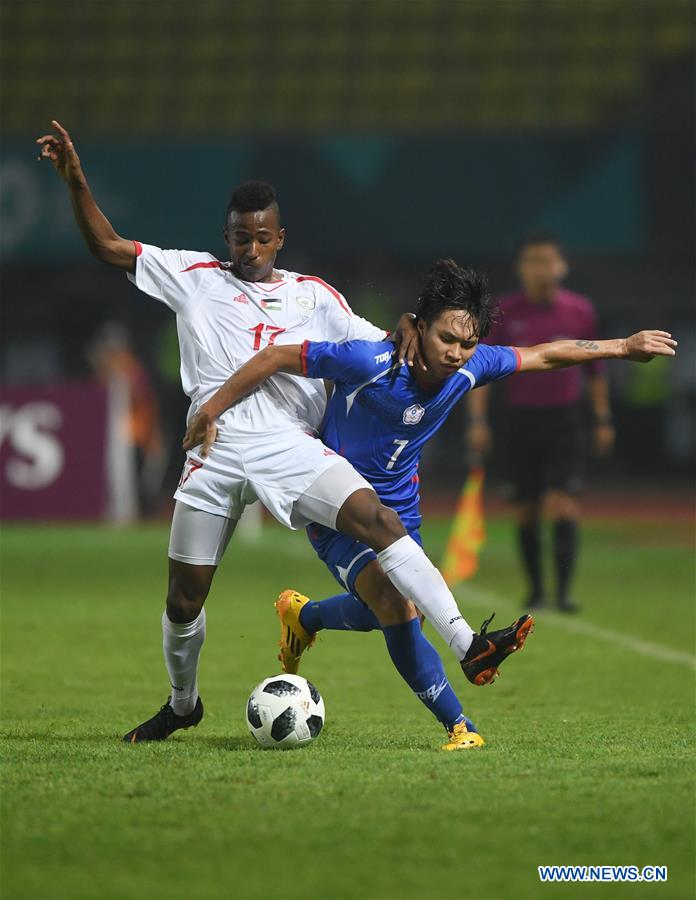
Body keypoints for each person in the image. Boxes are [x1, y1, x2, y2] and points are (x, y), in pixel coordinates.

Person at [37, 122, 521, 752]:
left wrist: (407, 319)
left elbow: (384, 342)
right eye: (242, 237)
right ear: (227, 236)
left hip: (290, 445)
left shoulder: (313, 296)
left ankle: (466, 642)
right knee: (184, 600)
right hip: (210, 451)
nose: (252, 248)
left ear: (280, 237)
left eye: (264, 237)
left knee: (377, 519)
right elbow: (105, 244)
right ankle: (183, 705)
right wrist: (76, 177)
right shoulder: (192, 274)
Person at [184, 259, 675, 742]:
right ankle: (461, 722)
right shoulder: (370, 361)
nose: (458, 353)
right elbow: (273, 357)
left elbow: (544, 354)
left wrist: (623, 347)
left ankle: (305, 616)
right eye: (447, 339)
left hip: (400, 515)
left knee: (396, 607)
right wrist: (211, 410)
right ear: (418, 329)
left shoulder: (471, 367)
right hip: (338, 509)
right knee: (397, 607)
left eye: (469, 342)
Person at [468, 233, 615, 612]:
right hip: (519, 421)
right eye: (533, 261)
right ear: (521, 268)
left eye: (548, 260)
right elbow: (482, 367)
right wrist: (478, 421)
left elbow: (596, 370)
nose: (541, 269)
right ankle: (535, 592)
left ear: (561, 266)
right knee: (526, 509)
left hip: (566, 420)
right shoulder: (506, 311)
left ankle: (563, 594)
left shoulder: (579, 311)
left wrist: (602, 419)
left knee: (563, 506)